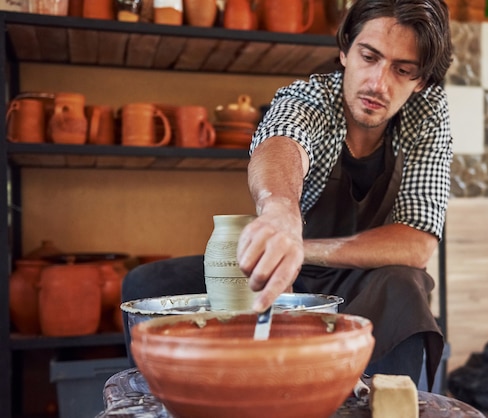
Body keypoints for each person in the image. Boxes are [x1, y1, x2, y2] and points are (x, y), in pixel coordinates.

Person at [122, 0, 453, 391]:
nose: (378, 84)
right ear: (345, 49)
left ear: (420, 81)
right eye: (369, 56)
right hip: (288, 271)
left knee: (404, 285)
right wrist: (278, 212)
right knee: (147, 283)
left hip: (369, 277)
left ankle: (386, 404)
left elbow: (416, 244)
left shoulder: (427, 112)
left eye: (402, 70)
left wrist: (300, 246)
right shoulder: (313, 97)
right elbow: (282, 140)